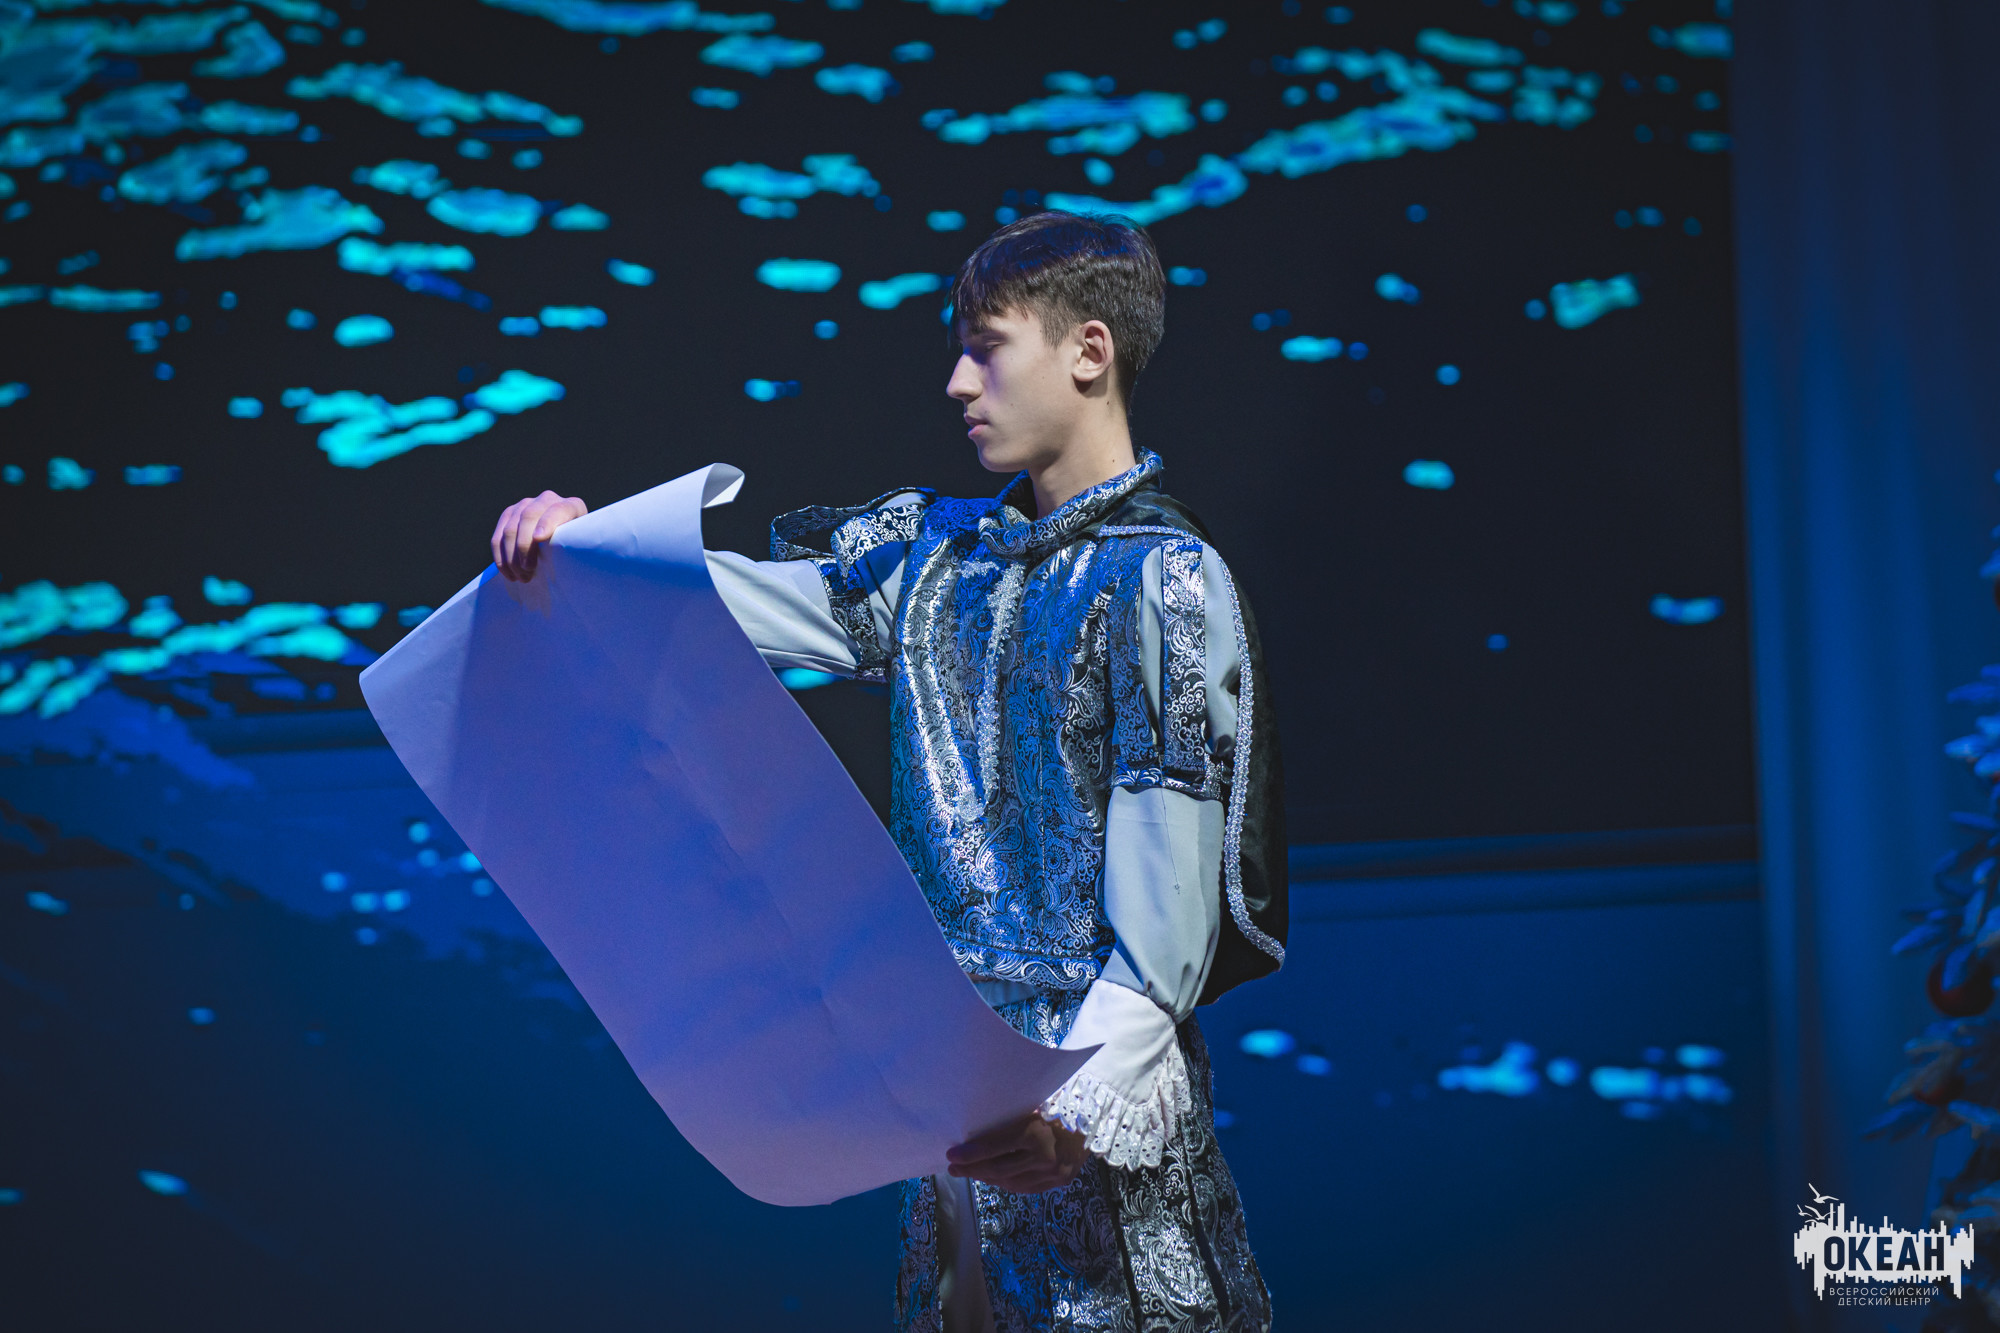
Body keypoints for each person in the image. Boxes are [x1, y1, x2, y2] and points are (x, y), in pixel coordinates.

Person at [488, 211, 1287, 1332]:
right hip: (953, 1100)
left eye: (987, 348)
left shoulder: (1163, 579)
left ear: (1089, 352)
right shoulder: (935, 563)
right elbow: (734, 606)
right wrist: (578, 546)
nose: (959, 382)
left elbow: (1165, 934)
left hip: (1087, 1110)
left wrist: (1072, 1114)